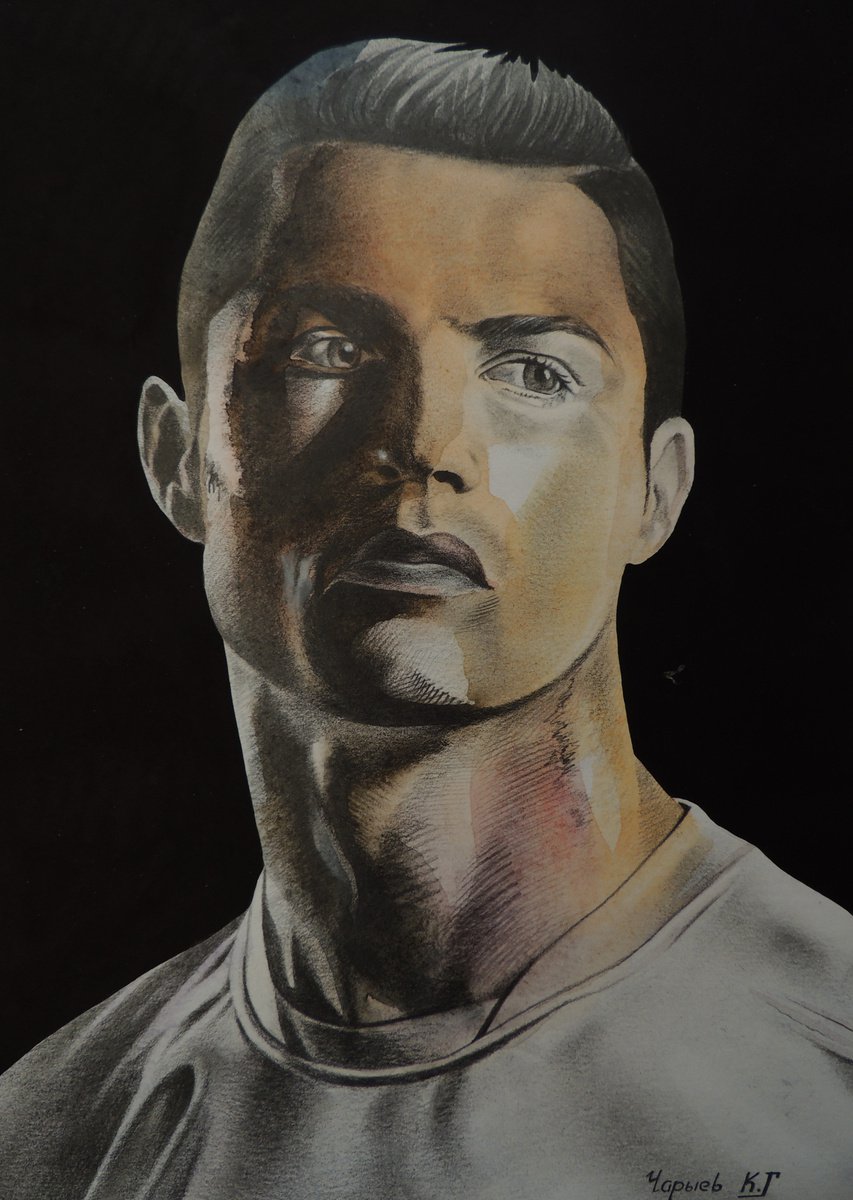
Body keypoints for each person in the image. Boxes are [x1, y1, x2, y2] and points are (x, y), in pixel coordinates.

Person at [1, 38, 850, 1200]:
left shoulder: (828, 1063)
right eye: (325, 349)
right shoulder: (50, 1139)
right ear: (177, 455)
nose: (425, 443)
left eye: (533, 372)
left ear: (655, 491)